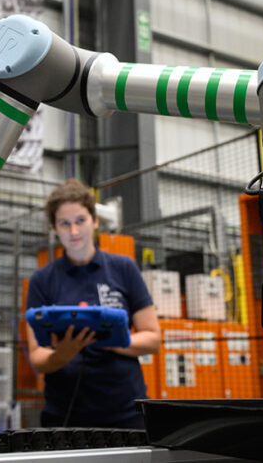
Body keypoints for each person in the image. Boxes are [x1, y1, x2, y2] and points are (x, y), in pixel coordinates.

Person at [25, 179, 161, 429]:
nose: (74, 232)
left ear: (95, 221)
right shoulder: (42, 280)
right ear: (54, 228)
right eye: (64, 224)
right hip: (65, 413)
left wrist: (112, 340)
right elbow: (36, 356)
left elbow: (153, 338)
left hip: (125, 409)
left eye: (80, 221)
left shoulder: (124, 268)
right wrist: (61, 355)